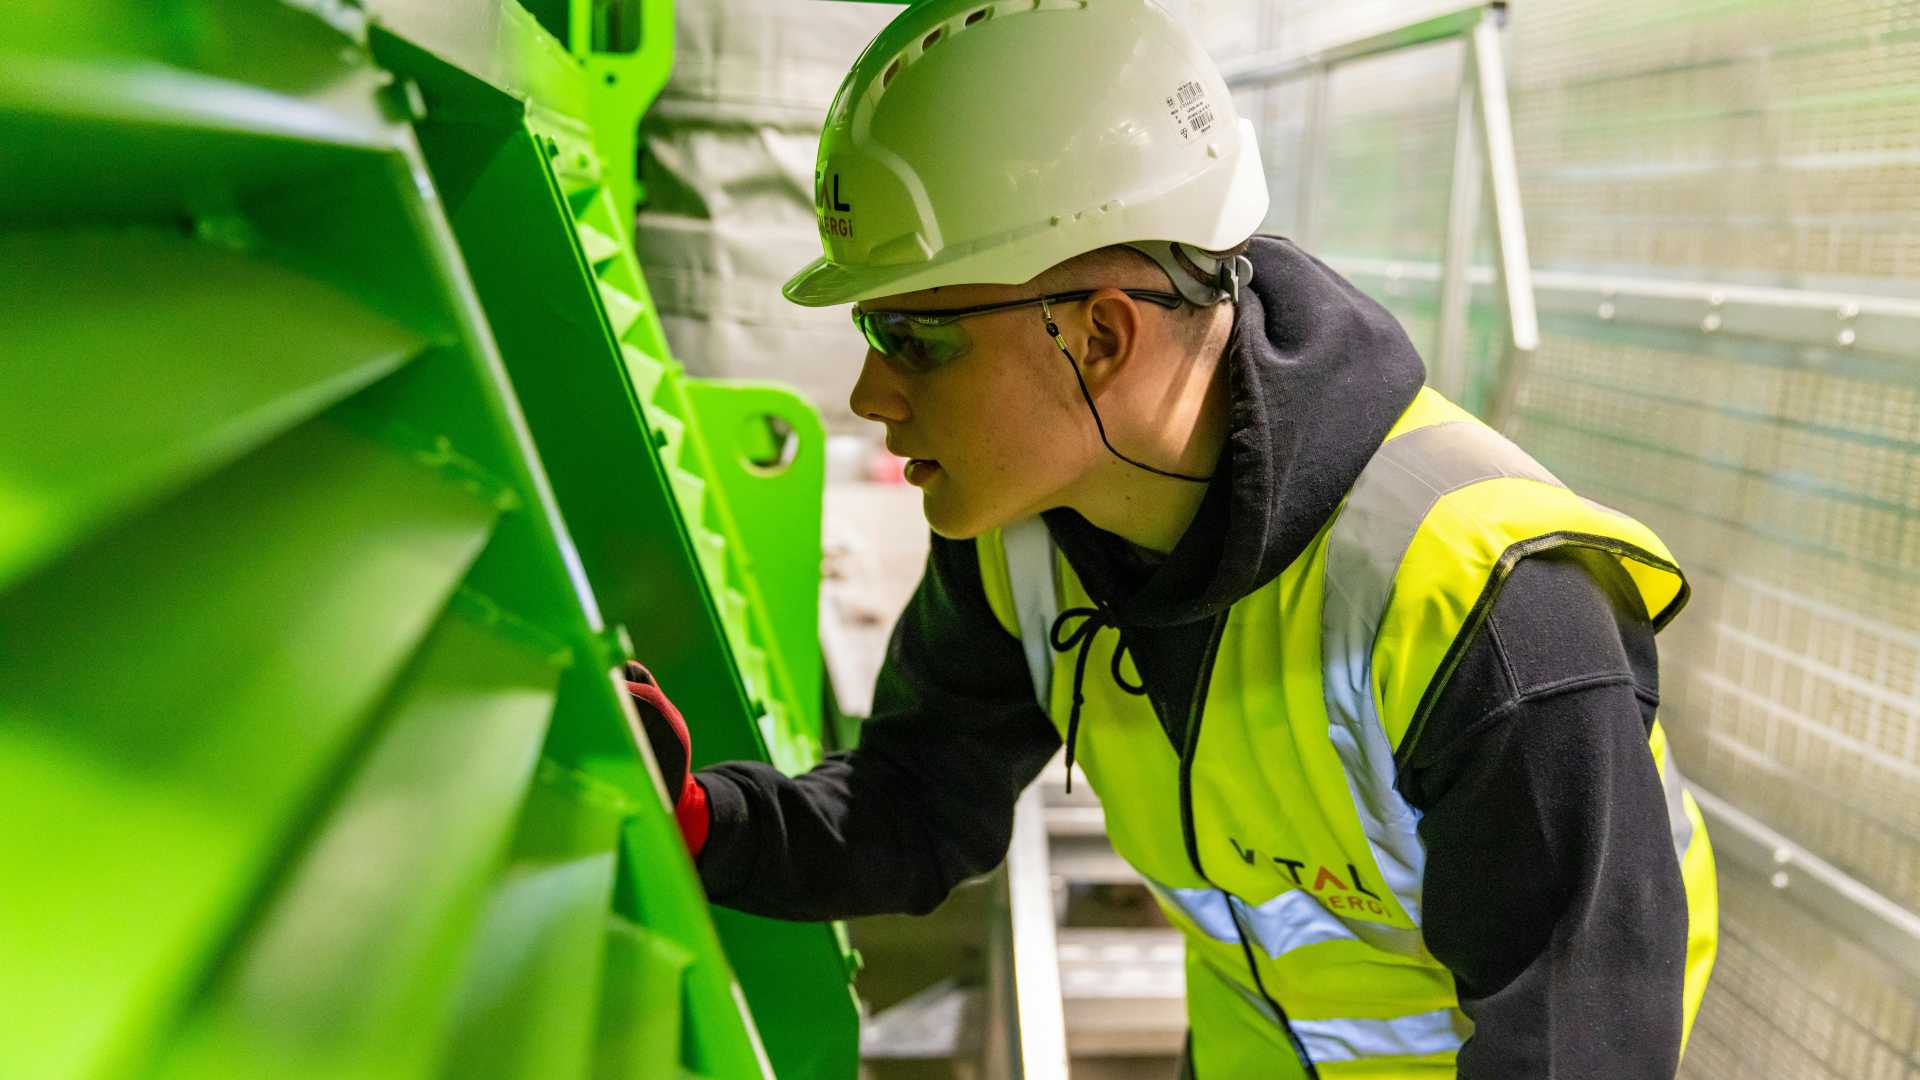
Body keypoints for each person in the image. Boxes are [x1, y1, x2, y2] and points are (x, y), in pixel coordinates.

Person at [625, 0, 1718, 1075]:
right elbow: (914, 809)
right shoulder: (1027, 541)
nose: (870, 394)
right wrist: (701, 819)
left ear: (1100, 333)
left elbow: (1582, 1042)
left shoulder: (1486, 611)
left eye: (912, 337)